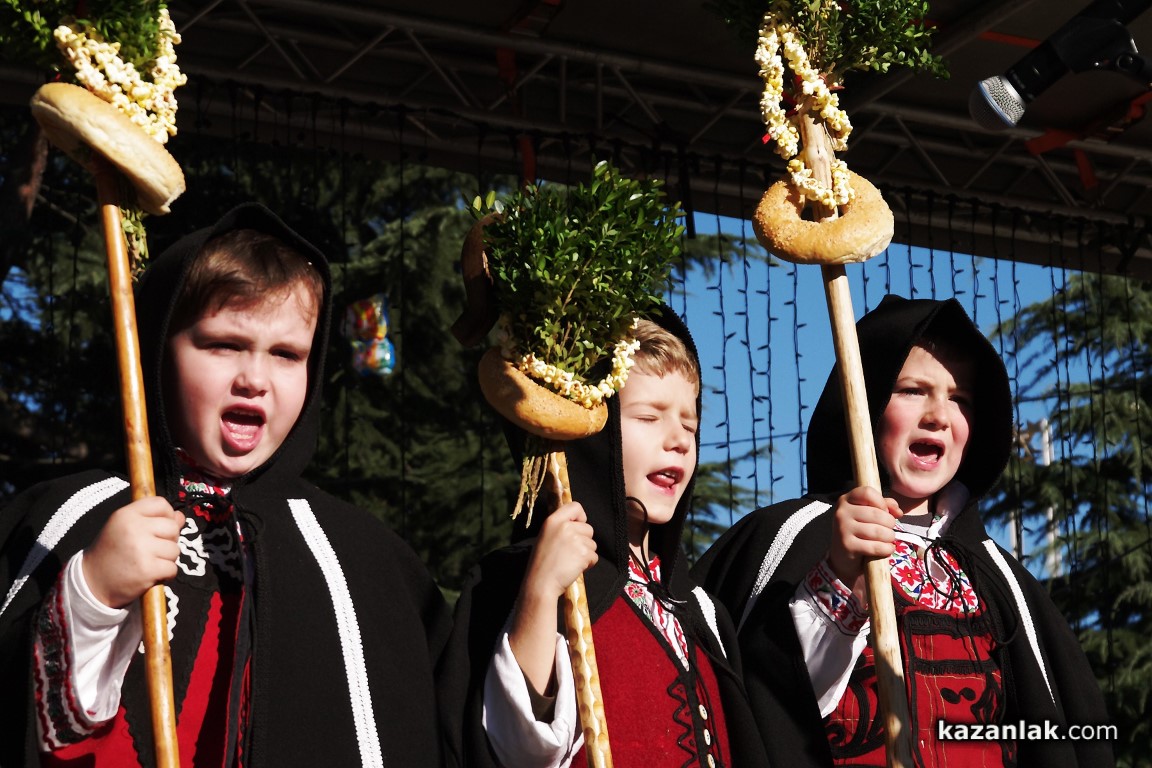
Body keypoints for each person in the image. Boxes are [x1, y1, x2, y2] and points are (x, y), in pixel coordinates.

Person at [0, 203, 451, 767]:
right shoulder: (68, 517)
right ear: (156, 351)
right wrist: (91, 595)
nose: (254, 379)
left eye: (286, 354)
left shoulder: (365, 560)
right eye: (223, 345)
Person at [693, 294, 1114, 767]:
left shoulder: (1003, 583)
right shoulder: (784, 540)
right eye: (913, 390)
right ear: (865, 400)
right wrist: (838, 583)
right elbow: (762, 709)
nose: (939, 416)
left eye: (960, 399)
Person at [439, 306, 770, 768]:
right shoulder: (522, 580)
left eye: (690, 425)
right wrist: (540, 594)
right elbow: (514, 748)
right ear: (595, 433)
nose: (678, 440)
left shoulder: (702, 612)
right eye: (649, 417)